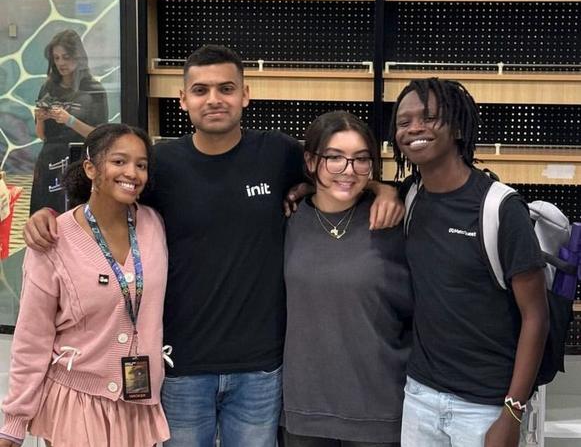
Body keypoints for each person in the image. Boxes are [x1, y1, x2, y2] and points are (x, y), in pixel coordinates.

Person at [22, 45, 403, 447]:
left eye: (226, 88)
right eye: (201, 90)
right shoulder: (162, 163)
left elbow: (337, 173)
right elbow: (105, 204)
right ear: (183, 99)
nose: (214, 99)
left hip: (260, 369)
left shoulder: (277, 153)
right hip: (180, 365)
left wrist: (383, 189)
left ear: (245, 95)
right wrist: (50, 217)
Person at [389, 78, 549, 447]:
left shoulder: (500, 208)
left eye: (429, 117)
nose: (414, 128)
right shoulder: (411, 197)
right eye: (403, 122)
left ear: (458, 128)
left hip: (485, 406)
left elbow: (535, 317)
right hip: (420, 395)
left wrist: (512, 413)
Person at [0, 124, 170, 447]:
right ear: (91, 168)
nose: (132, 173)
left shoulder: (154, 225)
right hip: (76, 404)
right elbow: (32, 337)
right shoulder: (53, 239)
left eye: (141, 165)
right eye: (119, 161)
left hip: (137, 404)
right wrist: (14, 422)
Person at [280, 111, 413, 447]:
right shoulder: (287, 219)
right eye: (335, 157)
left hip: (379, 405)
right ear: (311, 161)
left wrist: (386, 191)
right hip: (305, 407)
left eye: (361, 159)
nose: (349, 170)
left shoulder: (392, 220)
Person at [30, 29, 108, 215]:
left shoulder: (93, 89)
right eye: (56, 58)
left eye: (66, 57)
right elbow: (41, 135)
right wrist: (40, 119)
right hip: (49, 159)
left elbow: (99, 136)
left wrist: (69, 120)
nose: (61, 63)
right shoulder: (48, 87)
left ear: (78, 56)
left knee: (76, 213)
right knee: (45, 214)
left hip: (78, 158)